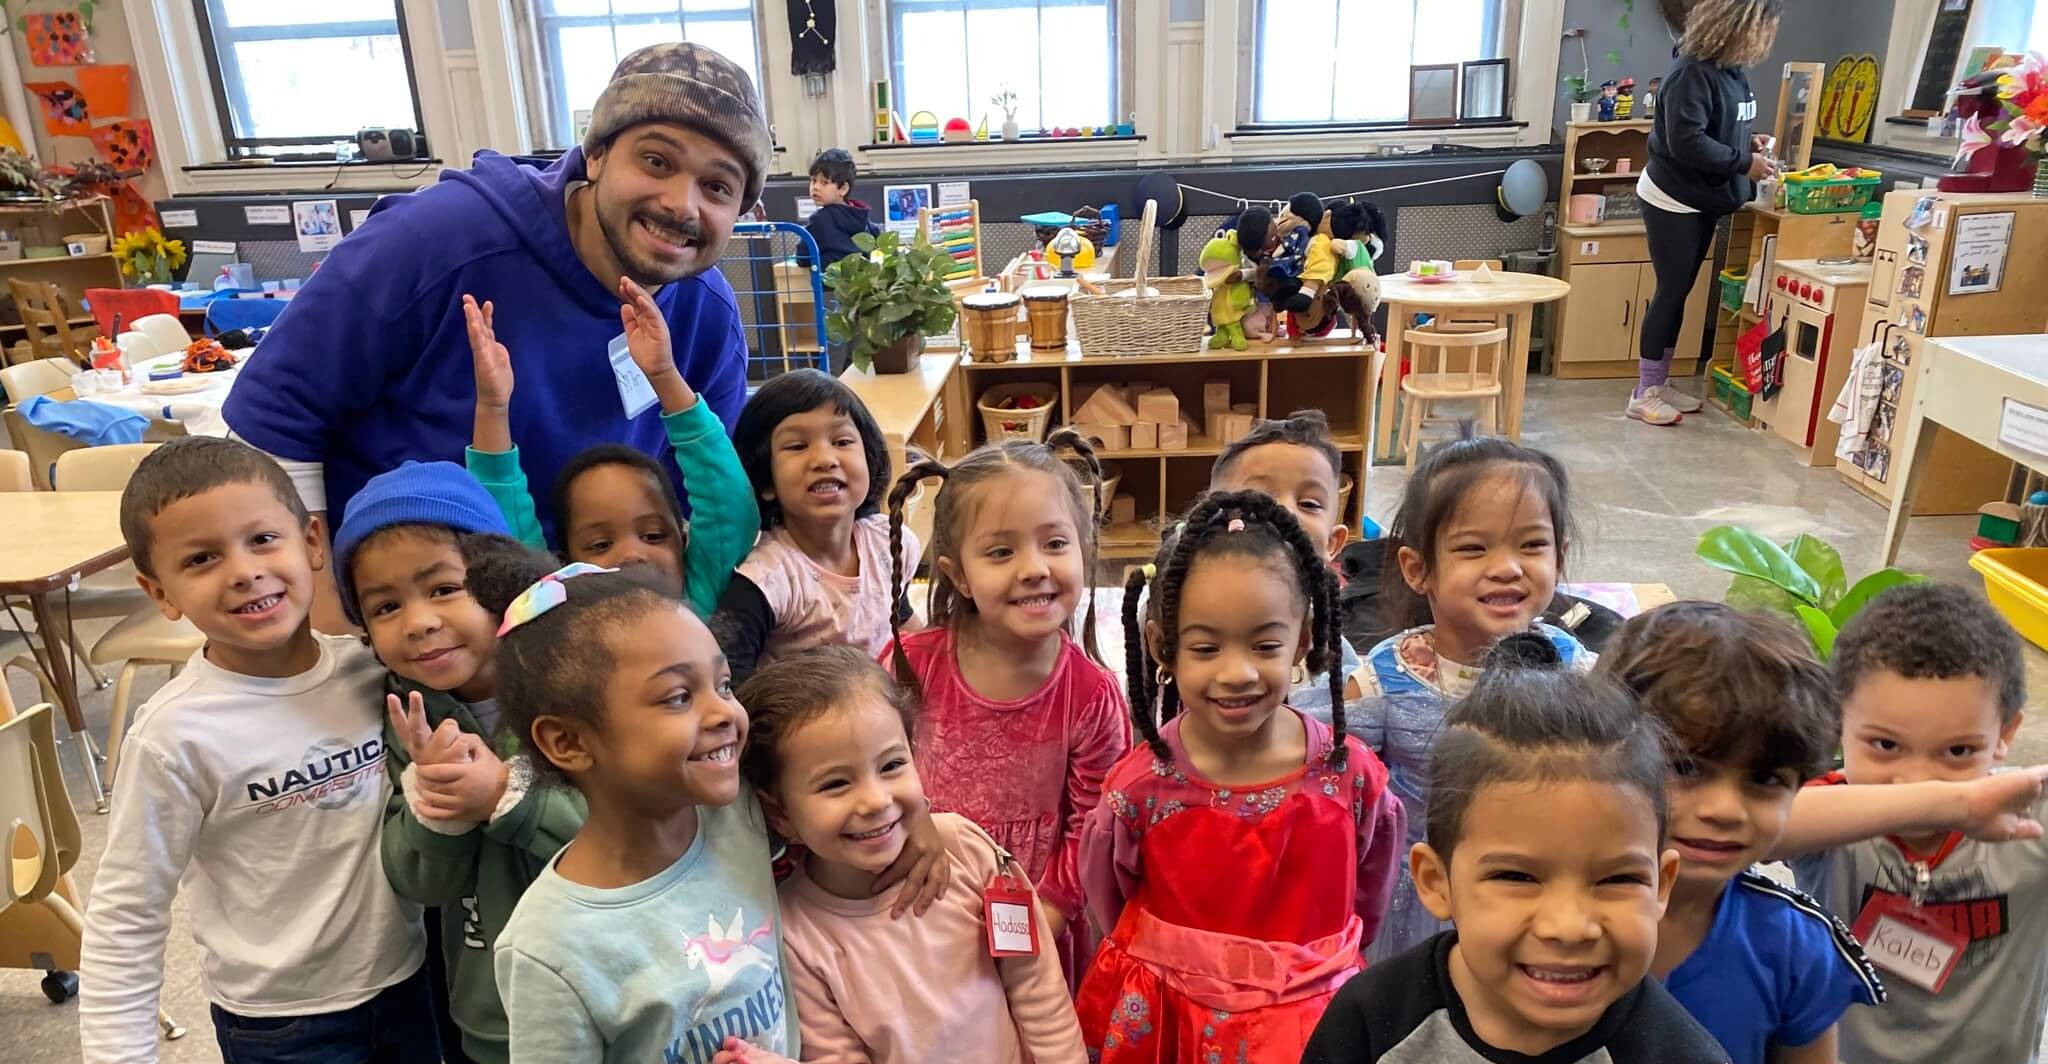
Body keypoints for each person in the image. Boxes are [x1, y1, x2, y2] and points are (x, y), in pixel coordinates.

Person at [223, 42, 771, 626]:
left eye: (717, 188)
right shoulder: (436, 241)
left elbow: (709, 503)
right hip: (406, 628)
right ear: (597, 154)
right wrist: (327, 630)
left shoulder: (705, 313)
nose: (680, 204)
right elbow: (274, 419)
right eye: (657, 162)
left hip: (582, 624)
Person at [474, 554, 951, 1062]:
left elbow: (850, 763)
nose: (724, 711)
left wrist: (917, 816)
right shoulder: (549, 949)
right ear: (567, 741)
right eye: (679, 696)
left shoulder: (737, 812)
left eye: (722, 684)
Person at [78, 438, 433, 1064]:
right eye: (202, 558)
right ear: (159, 592)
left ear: (312, 543)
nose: (243, 570)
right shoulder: (174, 736)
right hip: (281, 1027)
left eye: (263, 539)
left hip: (412, 984)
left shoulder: (374, 673)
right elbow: (127, 914)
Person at [1075, 491, 1404, 1062]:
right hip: (1168, 1019)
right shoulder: (1139, 790)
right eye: (1206, 647)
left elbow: (1369, 896)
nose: (1238, 672)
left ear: (1304, 640)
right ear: (1162, 647)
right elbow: (1111, 902)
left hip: (1308, 1020)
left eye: (1265, 644)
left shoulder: (1351, 779)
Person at [1302, 636, 1728, 1064]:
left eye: (1618, 879)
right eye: (1517, 877)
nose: (1569, 927)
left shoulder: (1678, 1053)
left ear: (1661, 885)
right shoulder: (1373, 1020)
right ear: (1436, 881)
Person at [719, 645, 1086, 1063]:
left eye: (892, 765)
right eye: (836, 784)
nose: (876, 800)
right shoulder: (796, 936)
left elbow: (1037, 991)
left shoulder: (968, 850)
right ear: (780, 812)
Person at [329, 461, 579, 1064]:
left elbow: (634, 838)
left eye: (444, 589)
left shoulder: (574, 685)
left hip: (610, 994)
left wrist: (503, 796)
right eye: (385, 607)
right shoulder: (407, 720)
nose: (419, 623)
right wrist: (436, 808)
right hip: (493, 1015)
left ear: (499, 585)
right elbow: (423, 883)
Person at [1595, 603, 1884, 1064]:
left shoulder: (1793, 946)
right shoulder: (1536, 916)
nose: (1726, 810)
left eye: (1765, 779)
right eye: (1686, 768)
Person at [881, 431, 1128, 969]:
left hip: (1038, 920)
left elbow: (1091, 828)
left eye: (1055, 544)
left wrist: (1045, 918)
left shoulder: (1091, 696)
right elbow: (871, 768)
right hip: (918, 901)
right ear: (958, 575)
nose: (1034, 567)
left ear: (1084, 551)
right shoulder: (908, 666)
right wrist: (911, 821)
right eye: (1001, 551)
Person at [1785, 583, 2048, 1064]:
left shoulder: (2028, 811)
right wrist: (1948, 804)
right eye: (1885, 745)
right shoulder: (1829, 815)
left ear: (2006, 733)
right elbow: (1761, 828)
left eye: (1957, 752)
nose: (1916, 779)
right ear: (1837, 721)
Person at [1360, 431, 1593, 962]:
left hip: (1538, 886)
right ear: (1418, 569)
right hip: (1418, 895)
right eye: (1473, 548)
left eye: (1532, 545)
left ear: (1560, 556)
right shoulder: (1383, 678)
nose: (1507, 567)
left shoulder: (1573, 667)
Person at [461, 274, 756, 617]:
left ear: (684, 543)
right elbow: (507, 544)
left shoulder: (698, 595)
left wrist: (664, 374)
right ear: (564, 565)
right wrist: (493, 408)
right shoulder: (557, 616)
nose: (632, 555)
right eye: (600, 545)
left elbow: (730, 506)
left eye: (654, 536)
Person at [1628, 0, 1781, 426]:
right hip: (1672, 198)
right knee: (1671, 293)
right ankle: (1644, 393)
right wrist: (1741, 162)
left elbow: (1717, 126)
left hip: (1702, 198)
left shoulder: (1730, 71)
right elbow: (1686, 142)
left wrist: (1745, 143)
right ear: (1739, 26)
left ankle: (1658, 382)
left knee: (1680, 293)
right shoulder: (1690, 73)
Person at [713, 369, 914, 682]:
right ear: (765, 481)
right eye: (797, 446)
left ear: (869, 458)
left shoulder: (889, 542)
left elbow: (899, 616)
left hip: (879, 713)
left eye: (842, 440)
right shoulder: (768, 579)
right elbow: (725, 675)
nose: (824, 458)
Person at [1208, 410, 1362, 719]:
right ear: (1211, 517)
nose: (1284, 511)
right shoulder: (1176, 611)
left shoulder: (1333, 650)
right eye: (1259, 497)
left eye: (1308, 504)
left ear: (1333, 544)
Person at [801, 148, 879, 268]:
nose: (815, 187)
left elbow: (802, 256)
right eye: (813, 180)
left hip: (830, 285)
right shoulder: (860, 216)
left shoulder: (820, 220)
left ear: (843, 189)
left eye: (824, 182)